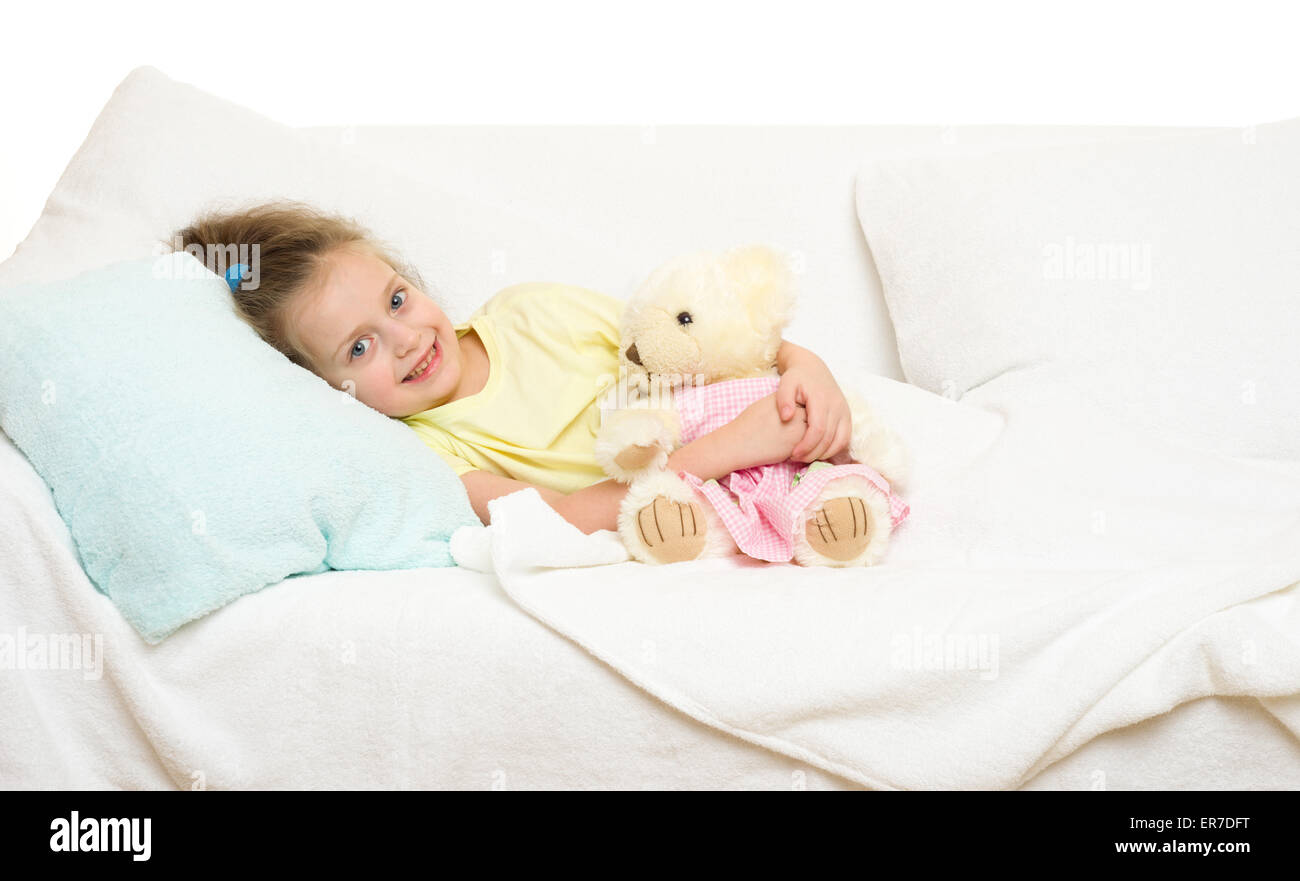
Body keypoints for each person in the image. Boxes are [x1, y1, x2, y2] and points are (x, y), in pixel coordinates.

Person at [171, 200, 854, 562]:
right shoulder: (430, 453)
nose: (406, 339)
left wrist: (805, 366)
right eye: (359, 346)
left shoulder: (533, 311)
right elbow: (570, 514)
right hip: (693, 489)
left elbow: (688, 345)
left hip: (736, 422)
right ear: (322, 388)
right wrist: (732, 448)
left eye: (398, 299)